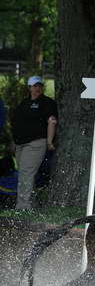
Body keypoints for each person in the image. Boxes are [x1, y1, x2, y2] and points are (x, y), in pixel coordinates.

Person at [11, 76, 57, 209]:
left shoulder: (47, 103)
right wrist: (14, 142)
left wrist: (49, 141)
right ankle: (33, 203)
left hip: (36, 143)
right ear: (29, 87)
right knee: (25, 173)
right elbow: (15, 122)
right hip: (20, 144)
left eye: (39, 85)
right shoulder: (23, 103)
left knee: (26, 173)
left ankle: (23, 206)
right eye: (34, 86)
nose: (37, 88)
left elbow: (52, 122)